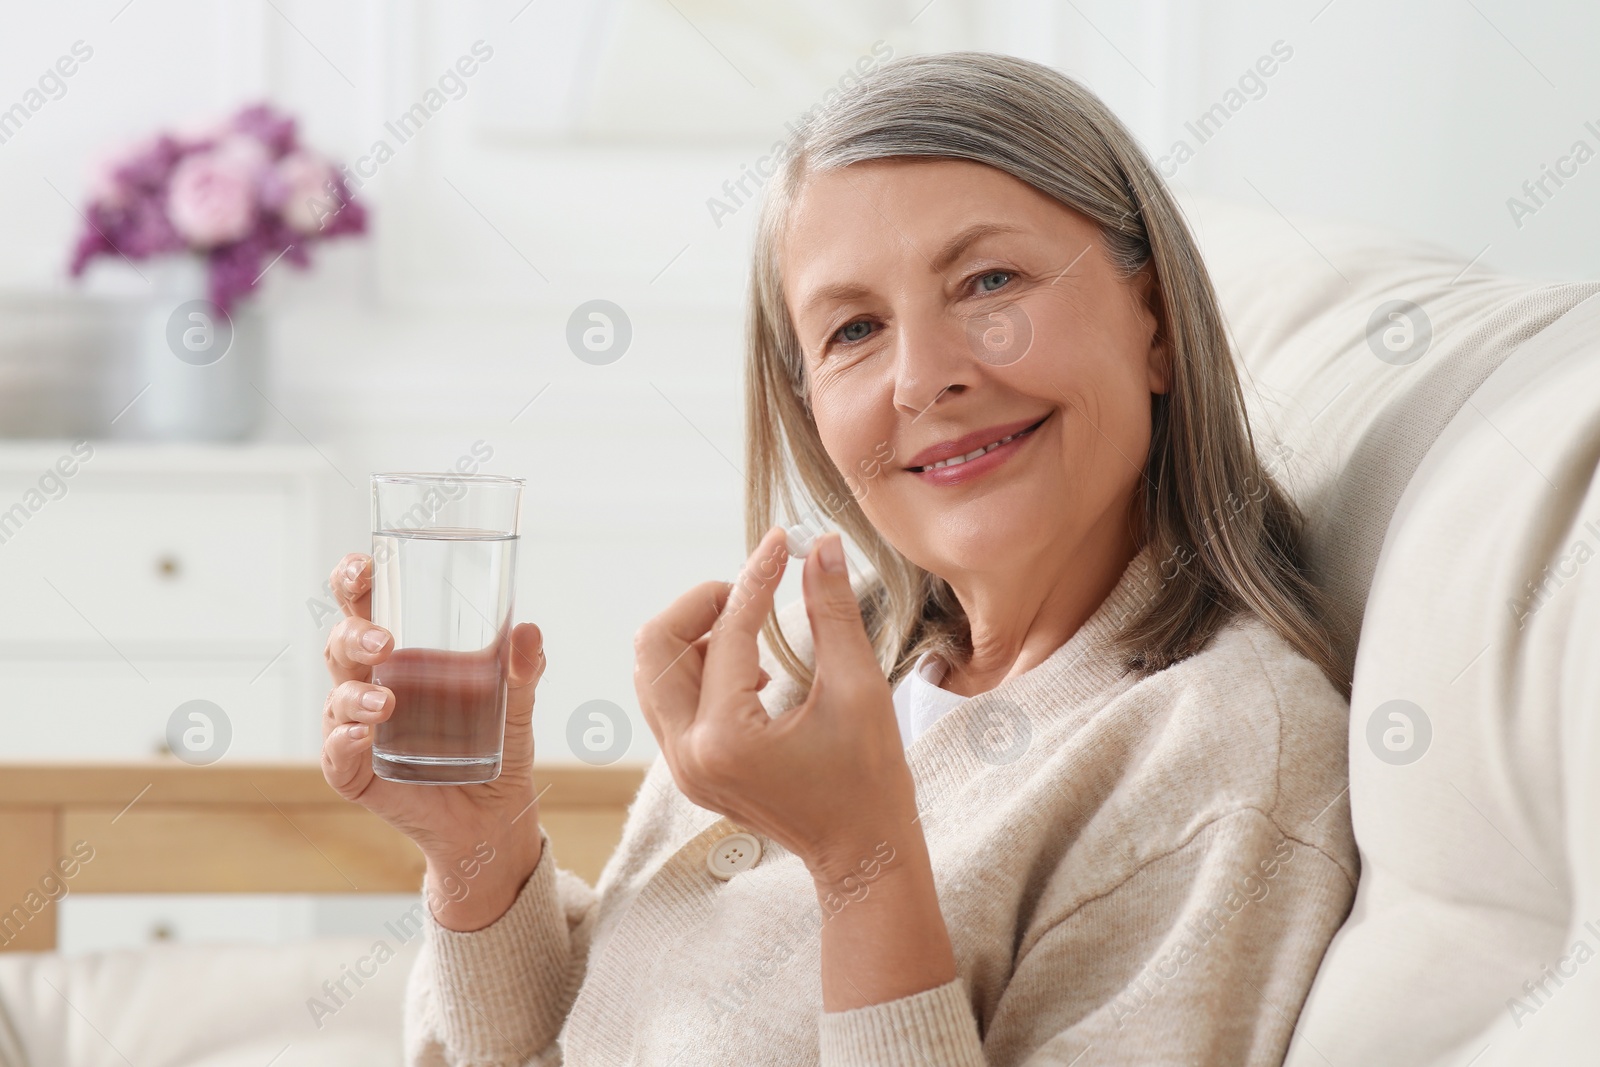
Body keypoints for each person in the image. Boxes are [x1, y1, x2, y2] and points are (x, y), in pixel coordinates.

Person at [320, 51, 1356, 1066]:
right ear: (809, 405)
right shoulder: (819, 674)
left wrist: (863, 865)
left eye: (988, 279)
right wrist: (479, 850)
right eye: (855, 327)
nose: (923, 376)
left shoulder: (1224, 754)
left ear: (1157, 323)